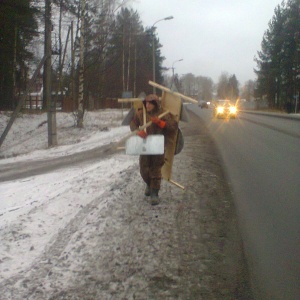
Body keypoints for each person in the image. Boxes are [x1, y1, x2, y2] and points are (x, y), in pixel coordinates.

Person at [130, 94, 178, 205]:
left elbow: (173, 127)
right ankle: (149, 184)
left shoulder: (163, 114)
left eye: (149, 103)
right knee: (144, 169)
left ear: (155, 104)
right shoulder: (141, 114)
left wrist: (161, 123)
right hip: (145, 145)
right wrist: (138, 132)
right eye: (146, 103)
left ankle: (154, 193)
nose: (147, 105)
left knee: (156, 169)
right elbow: (133, 124)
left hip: (158, 145)